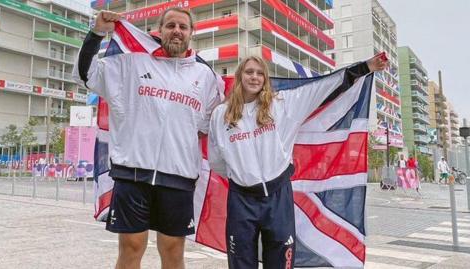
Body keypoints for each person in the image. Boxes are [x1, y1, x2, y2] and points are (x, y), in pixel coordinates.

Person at [73, 8, 222, 269]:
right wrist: (97, 33)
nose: (177, 31)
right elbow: (86, 74)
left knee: (174, 252)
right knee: (131, 249)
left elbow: (211, 125)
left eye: (183, 27)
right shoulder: (132, 63)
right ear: (159, 30)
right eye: (171, 25)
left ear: (190, 34)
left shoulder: (206, 76)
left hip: (179, 177)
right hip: (132, 173)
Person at [208, 55, 387, 269]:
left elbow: (327, 86)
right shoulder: (221, 115)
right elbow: (216, 160)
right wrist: (242, 173)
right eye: (249, 72)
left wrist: (366, 66)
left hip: (278, 196)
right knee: (240, 262)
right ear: (239, 76)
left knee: (280, 260)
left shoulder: (283, 104)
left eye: (259, 73)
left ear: (265, 78)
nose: (254, 77)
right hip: (241, 199)